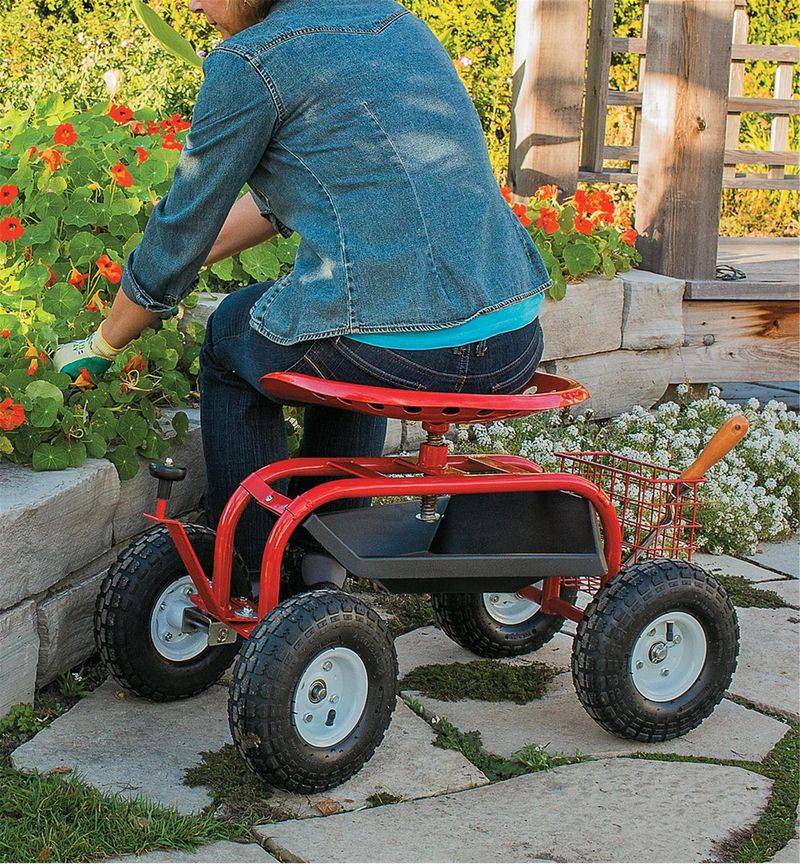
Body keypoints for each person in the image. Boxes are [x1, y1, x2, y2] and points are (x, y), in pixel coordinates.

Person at [54, 0, 551, 580]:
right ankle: (325, 566)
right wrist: (187, 258)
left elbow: (182, 224)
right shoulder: (395, 22)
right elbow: (290, 198)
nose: (190, 5)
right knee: (349, 327)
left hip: (403, 353)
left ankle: (248, 571)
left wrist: (105, 340)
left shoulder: (251, 62)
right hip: (513, 339)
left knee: (231, 337)